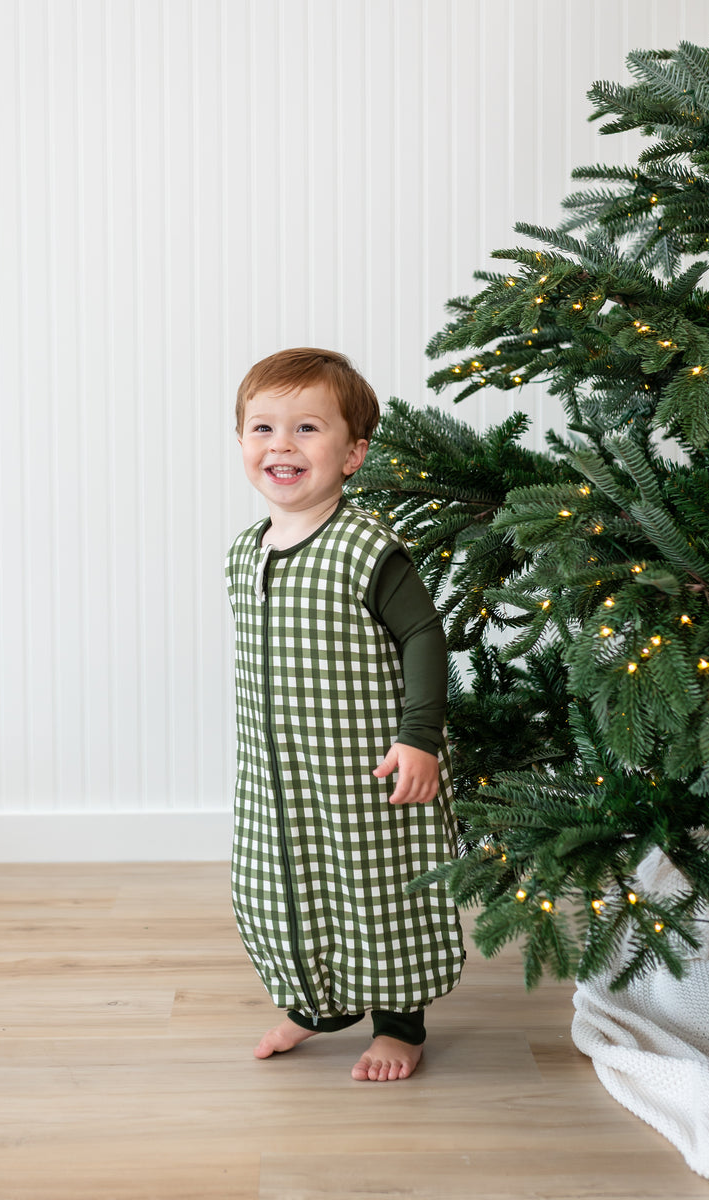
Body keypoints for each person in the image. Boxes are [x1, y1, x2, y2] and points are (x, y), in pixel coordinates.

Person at [226, 347, 464, 1083]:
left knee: (376, 888)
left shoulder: (365, 548)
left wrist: (419, 738)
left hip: (366, 767)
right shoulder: (245, 553)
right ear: (242, 443)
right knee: (283, 883)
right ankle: (318, 1003)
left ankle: (399, 1022)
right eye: (262, 428)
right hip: (278, 774)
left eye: (306, 429)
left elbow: (424, 634)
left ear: (353, 453)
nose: (282, 446)